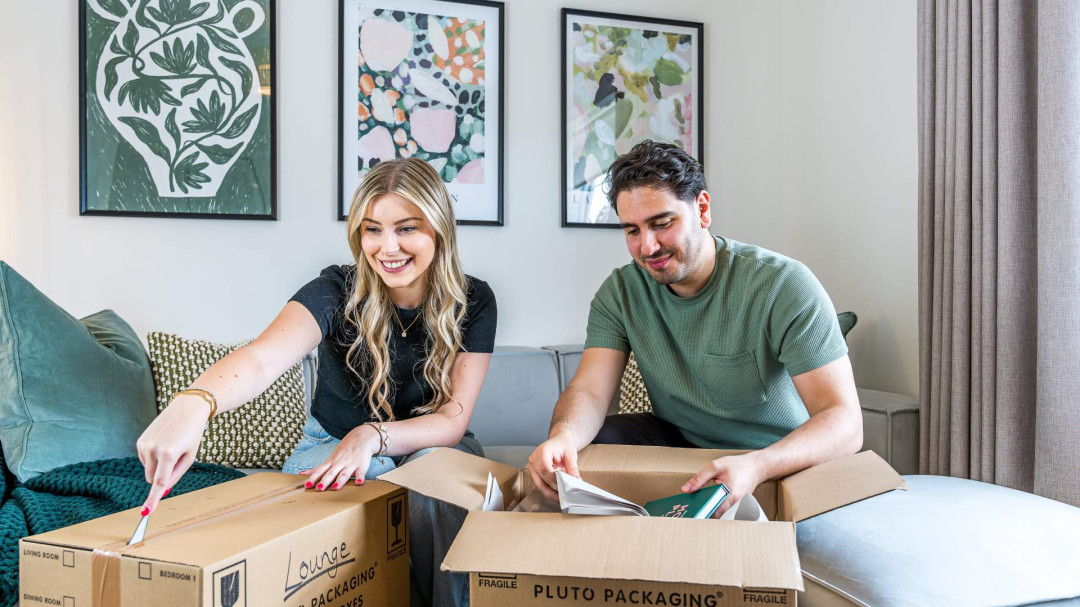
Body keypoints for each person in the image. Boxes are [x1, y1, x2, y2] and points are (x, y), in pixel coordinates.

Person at [136, 157, 496, 607]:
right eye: (372, 230)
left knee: (431, 481)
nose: (388, 247)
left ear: (439, 228)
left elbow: (452, 421)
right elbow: (261, 359)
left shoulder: (474, 300)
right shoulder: (335, 290)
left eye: (407, 228)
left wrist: (373, 435)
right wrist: (192, 404)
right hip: (330, 442)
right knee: (370, 478)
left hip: (433, 443)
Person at [527, 140, 862, 516]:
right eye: (632, 230)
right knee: (596, 439)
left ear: (702, 209)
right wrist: (562, 438)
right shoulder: (621, 292)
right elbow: (589, 390)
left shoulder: (783, 285)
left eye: (661, 224)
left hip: (773, 457)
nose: (647, 247)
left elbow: (845, 421)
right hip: (682, 449)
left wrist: (757, 465)